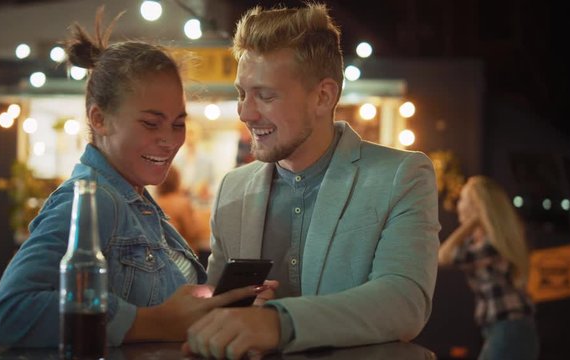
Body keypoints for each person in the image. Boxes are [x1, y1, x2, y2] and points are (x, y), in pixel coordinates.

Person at [0, 7, 261, 348]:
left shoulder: (139, 204)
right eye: (150, 122)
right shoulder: (93, 200)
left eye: (177, 123)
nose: (170, 139)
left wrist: (222, 304)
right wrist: (151, 323)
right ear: (99, 119)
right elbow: (8, 314)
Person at [184, 3, 441, 359]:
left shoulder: (401, 176)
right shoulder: (234, 188)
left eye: (265, 95)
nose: (245, 112)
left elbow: (404, 301)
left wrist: (277, 322)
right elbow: (218, 305)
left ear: (323, 96)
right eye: (242, 93)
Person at [438, 176, 539, 360]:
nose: (458, 205)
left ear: (477, 206)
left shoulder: (490, 244)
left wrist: (472, 222)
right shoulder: (482, 241)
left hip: (509, 328)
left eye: (462, 199)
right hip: (506, 328)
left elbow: (443, 256)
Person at [155, 167, 209, 254]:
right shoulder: (182, 203)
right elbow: (192, 232)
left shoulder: (155, 202)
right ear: (176, 180)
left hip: (164, 254)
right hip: (183, 255)